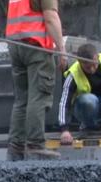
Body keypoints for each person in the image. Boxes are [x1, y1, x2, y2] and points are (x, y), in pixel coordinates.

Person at [5, 0, 66, 161]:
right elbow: (50, 17)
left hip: (15, 46)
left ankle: (15, 148)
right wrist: (61, 49)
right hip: (36, 47)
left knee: (21, 100)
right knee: (39, 96)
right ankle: (35, 146)